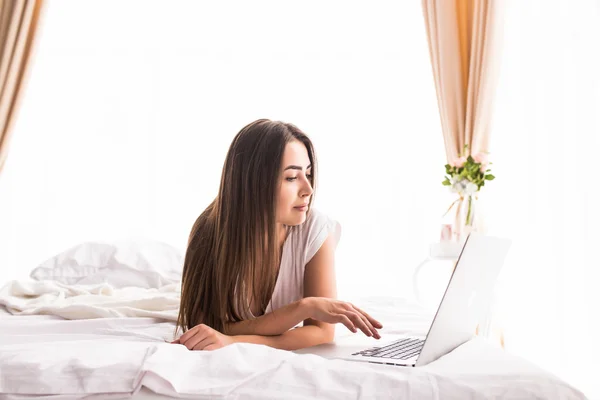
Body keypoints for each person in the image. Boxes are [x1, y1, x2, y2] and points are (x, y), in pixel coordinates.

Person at [172, 119, 382, 351]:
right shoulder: (209, 232)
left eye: (308, 174)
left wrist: (233, 338)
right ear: (253, 182)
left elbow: (322, 332)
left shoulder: (315, 229)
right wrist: (303, 308)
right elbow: (205, 327)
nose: (308, 189)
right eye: (291, 178)